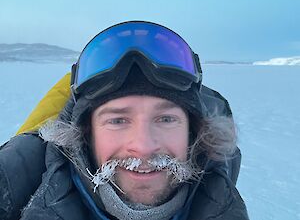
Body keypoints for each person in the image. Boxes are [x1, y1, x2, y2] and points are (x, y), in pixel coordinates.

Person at [0, 21, 249, 220]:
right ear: (86, 134)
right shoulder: (11, 185)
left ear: (194, 132)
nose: (143, 146)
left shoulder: (222, 200)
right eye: (118, 120)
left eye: (165, 119)